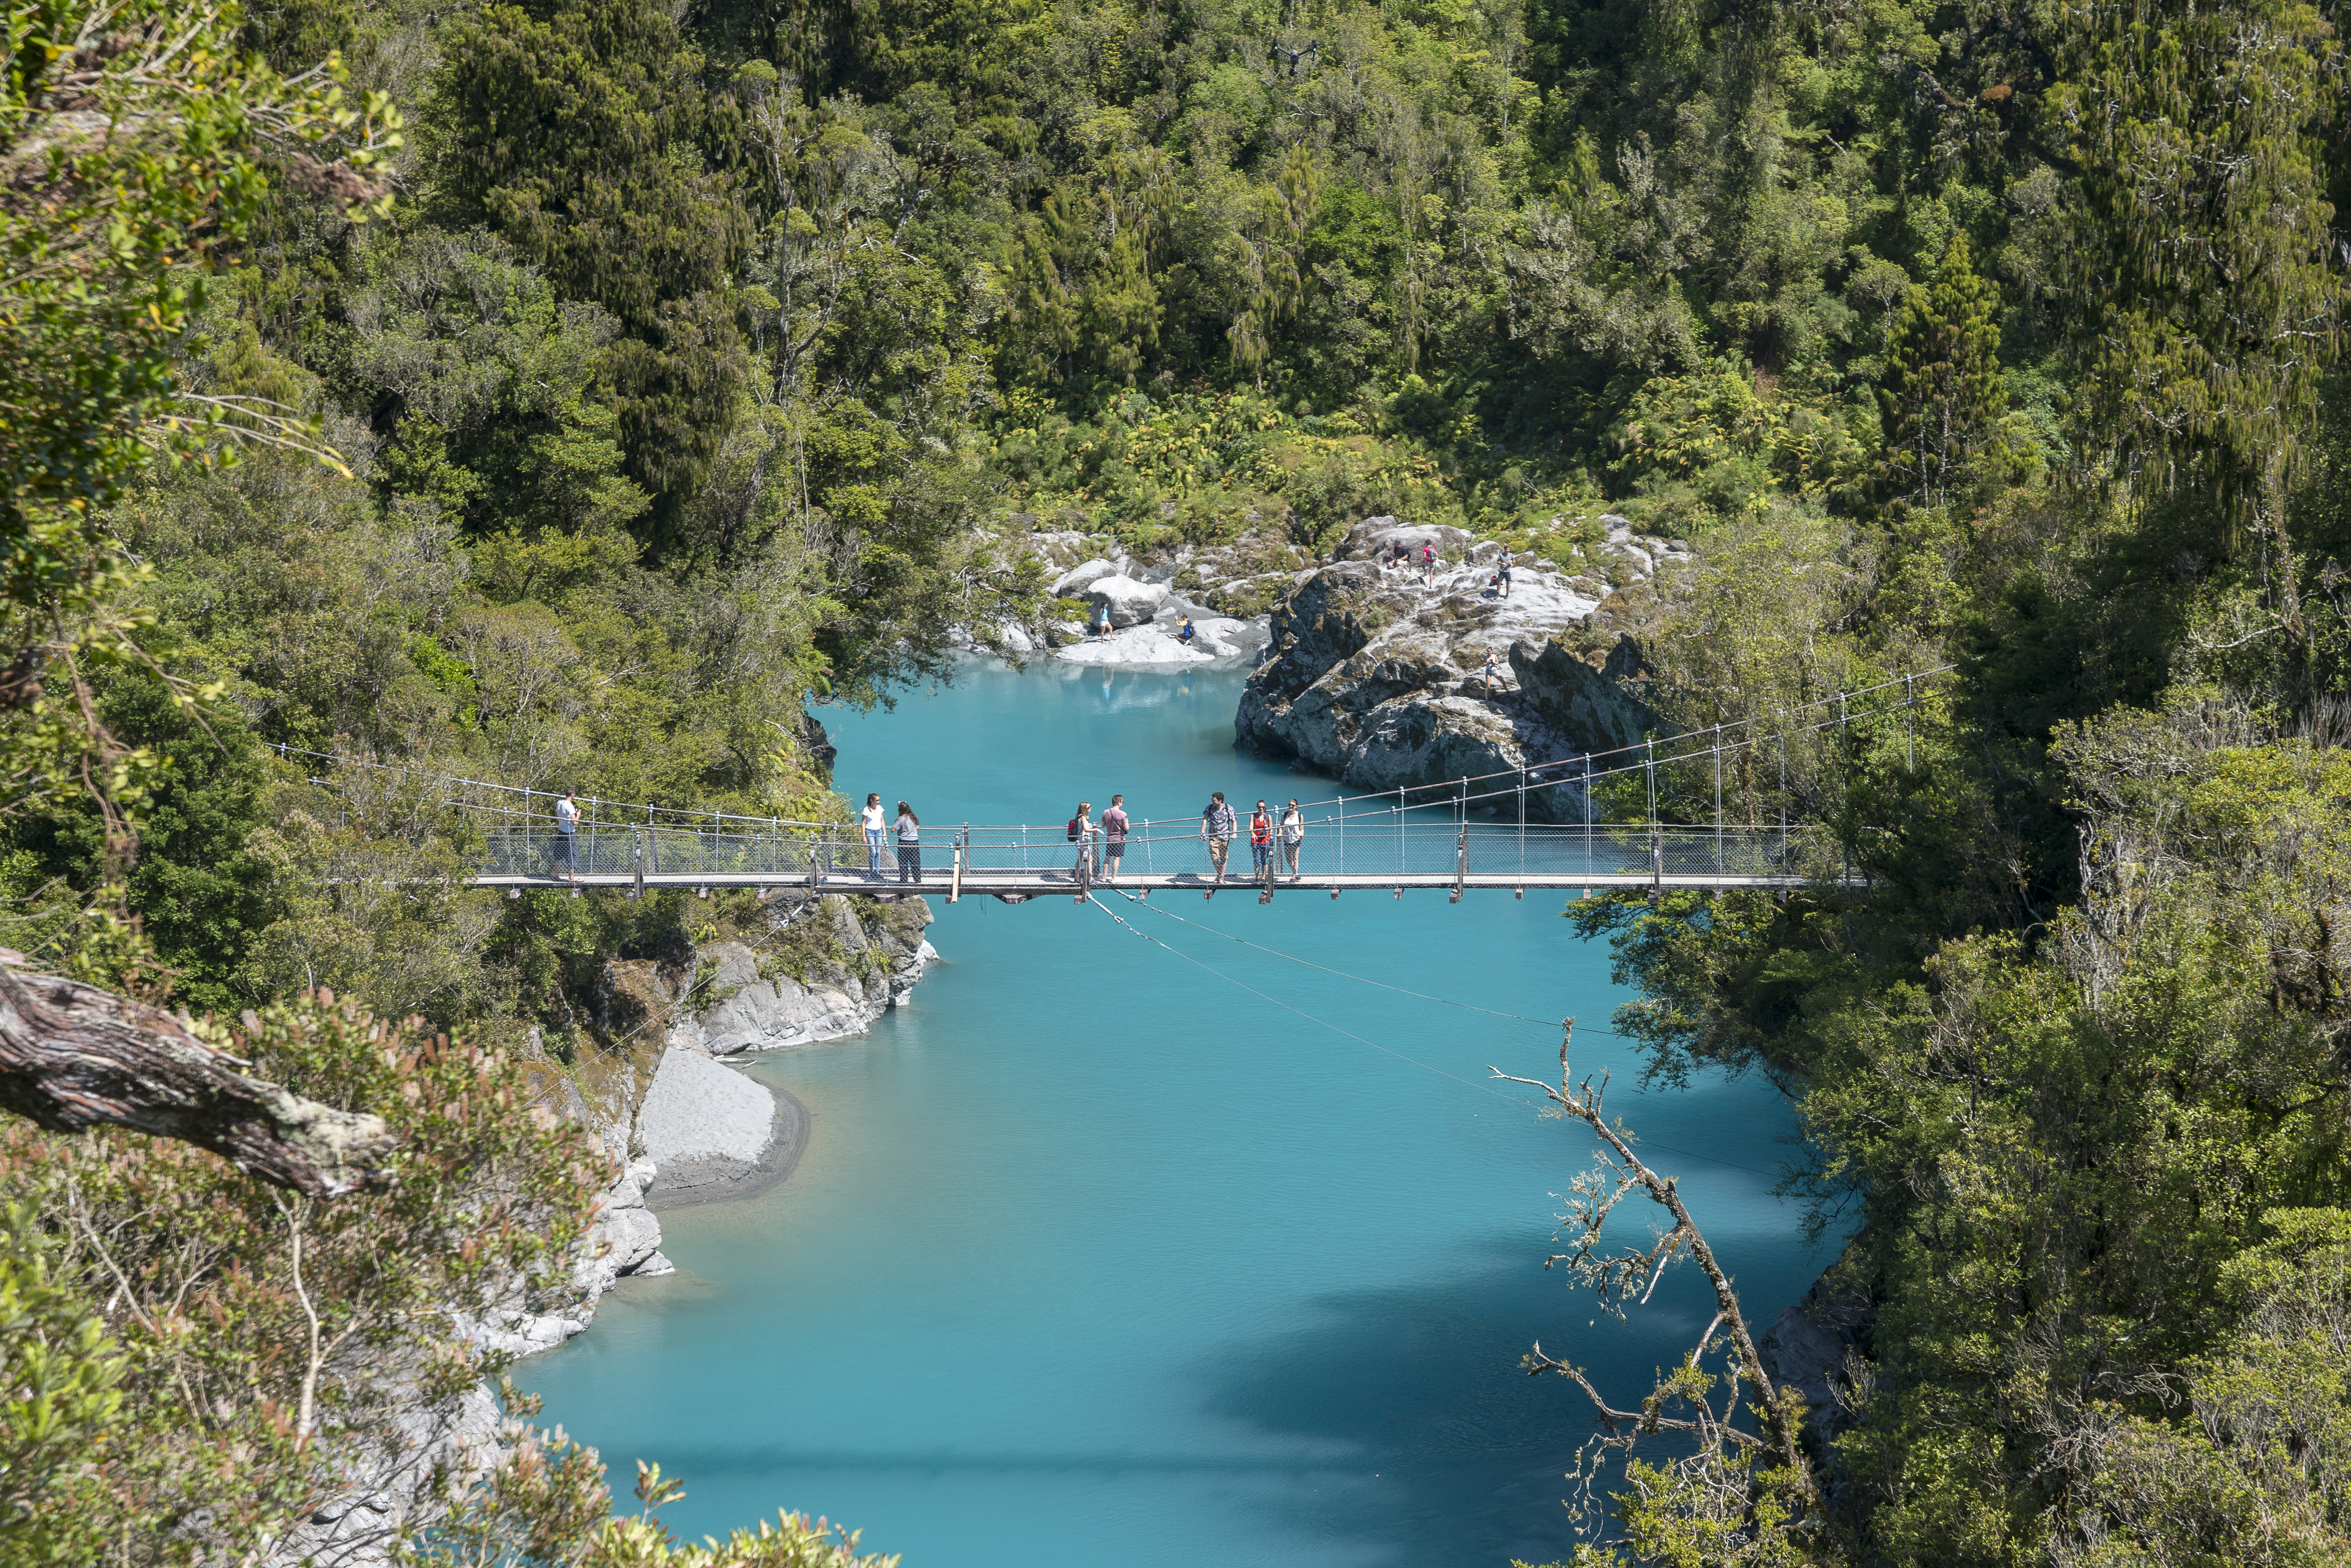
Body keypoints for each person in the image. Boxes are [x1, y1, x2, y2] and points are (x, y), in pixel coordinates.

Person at [1201, 791, 1236, 881]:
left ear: (1220, 801)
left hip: (1225, 837)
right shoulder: (1210, 807)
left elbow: (1234, 821)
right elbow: (1205, 820)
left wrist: (1234, 833)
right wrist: (1203, 833)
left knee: (1223, 858)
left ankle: (1221, 878)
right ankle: (1220, 875)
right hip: (1213, 837)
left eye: (1214, 800)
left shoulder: (1229, 808)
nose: (1212, 802)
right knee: (1215, 858)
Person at [552, 787, 580, 882]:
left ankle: (554, 872)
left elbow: (556, 815)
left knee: (560, 853)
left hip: (561, 831)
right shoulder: (570, 806)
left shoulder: (559, 803)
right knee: (572, 854)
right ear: (573, 794)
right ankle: (571, 877)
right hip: (570, 833)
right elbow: (575, 822)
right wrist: (578, 814)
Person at [1101, 794, 1130, 882]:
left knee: (1108, 857)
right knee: (1117, 858)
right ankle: (1113, 878)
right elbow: (1127, 828)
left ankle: (1104, 877)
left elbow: (1103, 825)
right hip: (1119, 839)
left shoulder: (1106, 812)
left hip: (1110, 839)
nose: (1123, 804)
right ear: (1119, 803)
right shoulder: (1123, 814)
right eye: (1122, 802)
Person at [1067, 800, 1095, 882]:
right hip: (1083, 841)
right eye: (1088, 807)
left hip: (1080, 840)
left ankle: (1077, 877)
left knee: (1081, 858)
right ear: (1084, 809)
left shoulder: (1079, 817)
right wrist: (1097, 829)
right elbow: (1086, 829)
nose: (1090, 808)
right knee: (1090, 859)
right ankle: (1091, 878)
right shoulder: (1083, 818)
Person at [860, 792, 887, 877]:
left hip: (879, 832)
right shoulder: (866, 810)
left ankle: (877, 872)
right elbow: (863, 823)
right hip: (870, 832)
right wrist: (864, 836)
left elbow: (882, 821)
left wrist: (885, 833)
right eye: (877, 801)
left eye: (879, 800)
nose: (878, 802)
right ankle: (872, 871)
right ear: (872, 800)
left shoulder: (880, 808)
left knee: (878, 852)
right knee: (873, 852)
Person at [895, 800, 922, 883]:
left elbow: (893, 830)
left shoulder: (900, 819)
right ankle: (917, 880)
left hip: (904, 842)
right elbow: (918, 828)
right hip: (914, 842)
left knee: (903, 861)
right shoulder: (913, 818)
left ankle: (904, 880)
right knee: (915, 861)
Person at [1279, 798, 1306, 876]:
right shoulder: (1284, 814)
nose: (1291, 806)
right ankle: (1296, 874)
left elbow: (1302, 829)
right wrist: (1280, 833)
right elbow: (1281, 826)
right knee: (1288, 859)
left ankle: (1294, 877)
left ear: (1296, 806)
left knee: (1295, 859)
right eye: (1289, 805)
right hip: (1287, 839)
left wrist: (1302, 835)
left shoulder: (1299, 816)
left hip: (1296, 839)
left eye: (1293, 805)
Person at [1249, 800, 1274, 877]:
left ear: (1265, 808)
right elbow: (1251, 828)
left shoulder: (1268, 817)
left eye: (1263, 807)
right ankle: (1257, 878)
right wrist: (1253, 834)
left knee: (1264, 860)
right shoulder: (1253, 816)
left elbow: (1271, 829)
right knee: (1257, 860)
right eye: (1260, 807)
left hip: (1265, 841)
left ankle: (1263, 877)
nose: (1261, 809)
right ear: (1257, 807)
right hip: (1256, 841)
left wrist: (1270, 836)